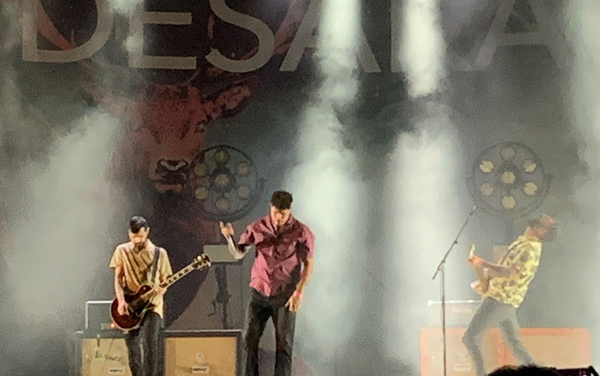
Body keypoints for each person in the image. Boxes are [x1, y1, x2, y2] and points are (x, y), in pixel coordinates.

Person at [220, 191, 315, 376]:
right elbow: (239, 253)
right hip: (260, 291)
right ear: (270, 208)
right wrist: (229, 237)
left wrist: (299, 292)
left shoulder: (301, 231)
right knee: (249, 340)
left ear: (290, 211)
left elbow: (309, 264)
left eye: (283, 213)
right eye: (276, 212)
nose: (279, 217)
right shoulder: (257, 227)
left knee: (284, 345)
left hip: (284, 294)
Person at [463, 214, 557, 376]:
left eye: (547, 220)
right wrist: (484, 277)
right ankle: (536, 371)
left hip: (500, 300)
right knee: (514, 343)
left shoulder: (528, 247)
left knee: (470, 338)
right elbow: (505, 269)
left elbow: (509, 271)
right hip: (506, 299)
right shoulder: (525, 242)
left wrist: (482, 263)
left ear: (541, 230)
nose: (545, 216)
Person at [109, 216, 173, 376]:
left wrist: (162, 289)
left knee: (150, 344)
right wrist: (121, 301)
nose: (137, 240)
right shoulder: (121, 250)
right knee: (132, 347)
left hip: (152, 305)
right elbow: (117, 278)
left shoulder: (160, 253)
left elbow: (166, 281)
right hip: (131, 304)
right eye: (133, 236)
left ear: (147, 232)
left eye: (141, 236)